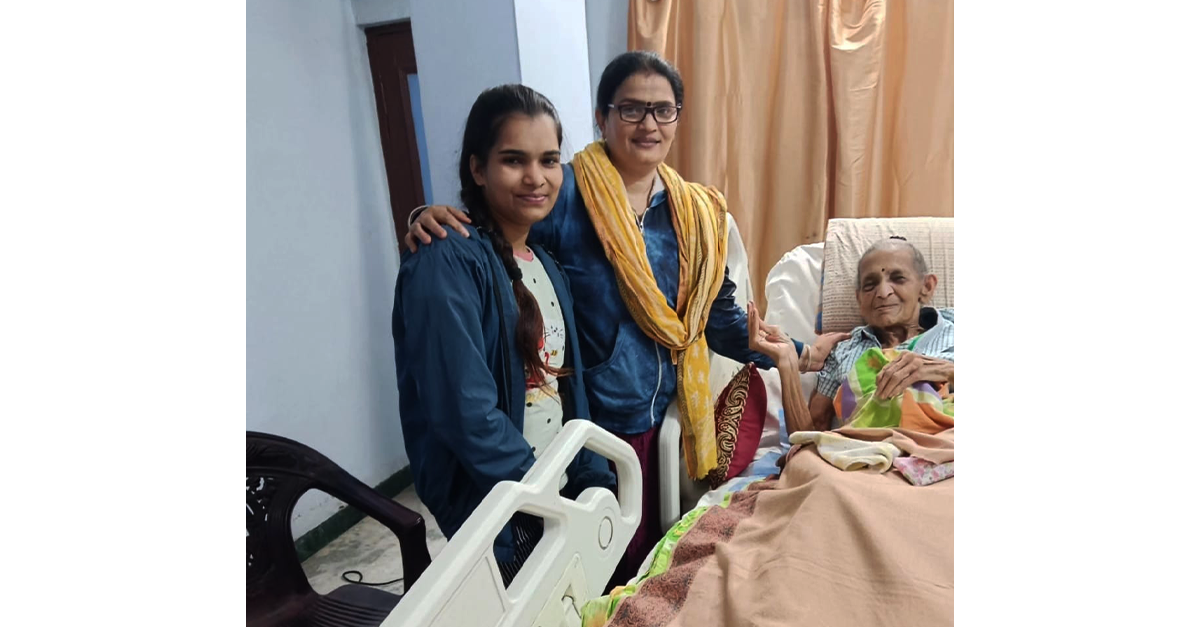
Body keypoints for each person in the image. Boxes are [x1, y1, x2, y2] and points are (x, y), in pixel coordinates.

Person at [403, 51, 848, 584]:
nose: (649, 124)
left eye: (664, 110)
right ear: (602, 117)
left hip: (666, 417)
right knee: (585, 576)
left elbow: (716, 315)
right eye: (632, 109)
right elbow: (488, 245)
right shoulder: (564, 195)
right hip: (593, 424)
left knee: (645, 563)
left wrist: (795, 353)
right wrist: (423, 217)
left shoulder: (698, 211)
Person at [391, 84, 616, 587]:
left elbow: (567, 390)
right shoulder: (445, 260)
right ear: (477, 169)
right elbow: (465, 413)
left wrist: (591, 486)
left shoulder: (545, 265)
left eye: (550, 160)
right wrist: (542, 502)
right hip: (505, 508)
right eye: (514, 160)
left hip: (554, 495)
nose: (536, 177)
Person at [807, 236, 955, 431]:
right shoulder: (844, 349)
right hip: (868, 451)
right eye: (870, 285)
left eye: (898, 278)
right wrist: (786, 363)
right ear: (859, 298)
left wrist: (944, 371)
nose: (883, 293)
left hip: (946, 446)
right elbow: (811, 429)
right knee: (801, 461)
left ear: (926, 287)